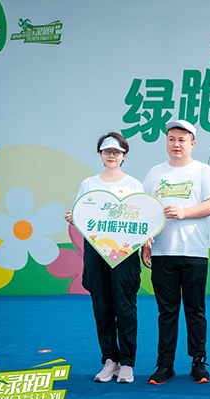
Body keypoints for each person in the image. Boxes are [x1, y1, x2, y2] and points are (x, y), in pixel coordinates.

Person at [141, 119, 210, 384]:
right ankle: (165, 365)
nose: (176, 144)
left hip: (194, 252)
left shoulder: (203, 171)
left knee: (195, 310)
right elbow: (143, 210)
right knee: (166, 312)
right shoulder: (155, 173)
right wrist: (145, 241)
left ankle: (198, 362)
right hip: (162, 252)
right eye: (171, 139)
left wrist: (184, 212)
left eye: (182, 140)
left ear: (192, 143)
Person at [64, 132, 144, 384]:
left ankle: (127, 363)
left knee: (125, 307)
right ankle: (110, 360)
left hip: (125, 254)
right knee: (102, 306)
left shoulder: (134, 185)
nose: (112, 155)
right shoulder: (89, 184)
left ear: (124, 155)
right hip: (96, 253)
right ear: (100, 154)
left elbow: (142, 219)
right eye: (107, 151)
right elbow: (82, 216)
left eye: (116, 151)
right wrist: (74, 217)